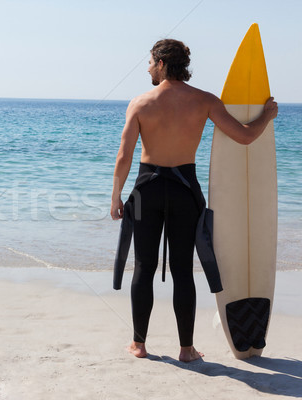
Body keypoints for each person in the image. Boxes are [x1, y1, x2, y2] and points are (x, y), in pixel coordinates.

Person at [110, 39, 278, 362]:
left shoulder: (140, 103)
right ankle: (186, 350)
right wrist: (266, 116)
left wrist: (116, 196)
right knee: (183, 270)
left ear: (161, 64)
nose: (146, 68)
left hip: (147, 190)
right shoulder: (204, 101)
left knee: (143, 267)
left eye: (148, 62)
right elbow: (243, 136)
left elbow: (123, 157)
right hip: (185, 191)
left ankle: (139, 345)